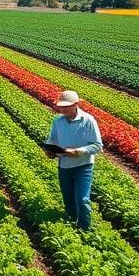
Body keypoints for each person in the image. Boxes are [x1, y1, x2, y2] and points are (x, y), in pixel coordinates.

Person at [45, 90, 103, 230]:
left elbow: (97, 146)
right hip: (64, 166)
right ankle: (72, 224)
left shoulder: (88, 120)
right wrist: (50, 151)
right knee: (68, 200)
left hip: (83, 166)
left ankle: (85, 229)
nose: (62, 109)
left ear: (76, 104)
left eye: (66, 107)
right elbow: (51, 140)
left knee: (82, 199)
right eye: (61, 107)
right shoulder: (57, 121)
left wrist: (78, 152)